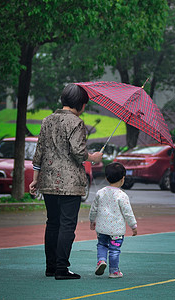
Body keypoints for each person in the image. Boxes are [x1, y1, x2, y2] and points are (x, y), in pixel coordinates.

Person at [29, 83, 103, 280]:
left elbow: (39, 153)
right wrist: (93, 157)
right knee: (67, 225)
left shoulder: (47, 121)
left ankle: (50, 267)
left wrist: (35, 179)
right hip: (70, 184)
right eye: (84, 104)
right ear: (79, 103)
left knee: (52, 223)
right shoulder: (76, 123)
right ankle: (62, 268)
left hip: (48, 180)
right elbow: (78, 153)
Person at [89, 162, 137, 278]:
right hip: (116, 231)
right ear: (123, 179)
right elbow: (128, 213)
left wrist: (92, 221)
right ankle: (114, 271)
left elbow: (93, 208)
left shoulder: (100, 193)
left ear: (106, 178)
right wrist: (133, 226)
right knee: (114, 250)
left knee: (102, 245)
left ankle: (101, 261)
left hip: (102, 228)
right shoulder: (122, 195)